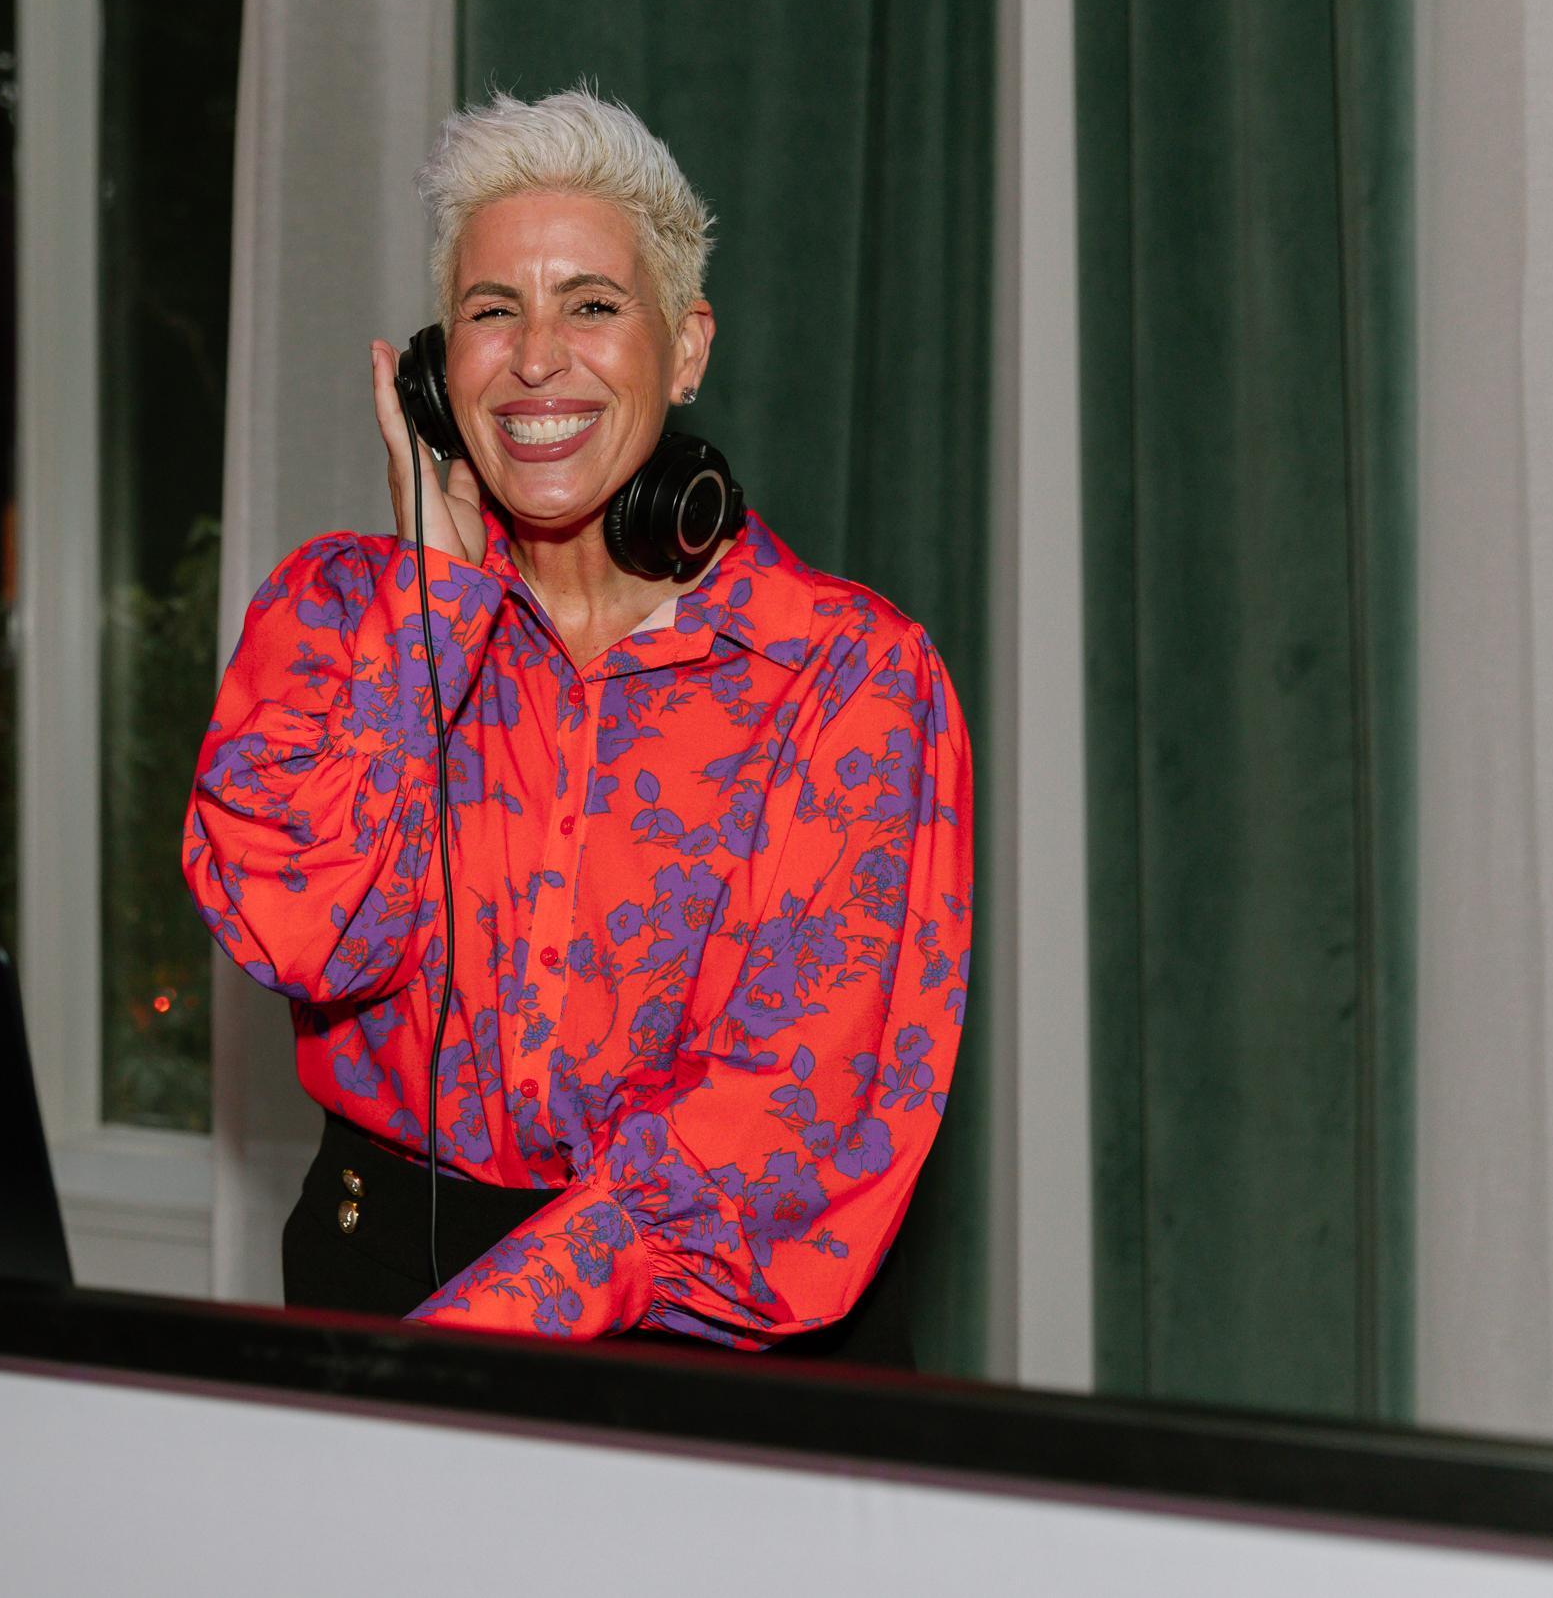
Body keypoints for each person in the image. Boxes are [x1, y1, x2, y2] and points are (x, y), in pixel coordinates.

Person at [181, 88, 971, 1358]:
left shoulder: (847, 676)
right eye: (492, 310)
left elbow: (782, 1123)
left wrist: (456, 1349)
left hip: (697, 1330)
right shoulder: (335, 613)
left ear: (686, 346)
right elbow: (300, 932)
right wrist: (428, 616)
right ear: (436, 367)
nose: (536, 358)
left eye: (592, 305)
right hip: (374, 1264)